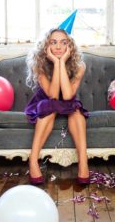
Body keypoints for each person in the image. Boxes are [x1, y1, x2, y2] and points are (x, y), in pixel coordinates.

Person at [24, 28, 89, 185]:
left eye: (63, 42)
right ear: (46, 46)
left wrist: (61, 62)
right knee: (49, 108)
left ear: (70, 46)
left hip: (67, 101)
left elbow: (67, 96)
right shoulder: (39, 64)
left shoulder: (80, 66)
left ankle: (83, 163)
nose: (58, 47)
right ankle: (33, 161)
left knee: (77, 113)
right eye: (53, 42)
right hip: (45, 101)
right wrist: (56, 62)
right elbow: (52, 95)